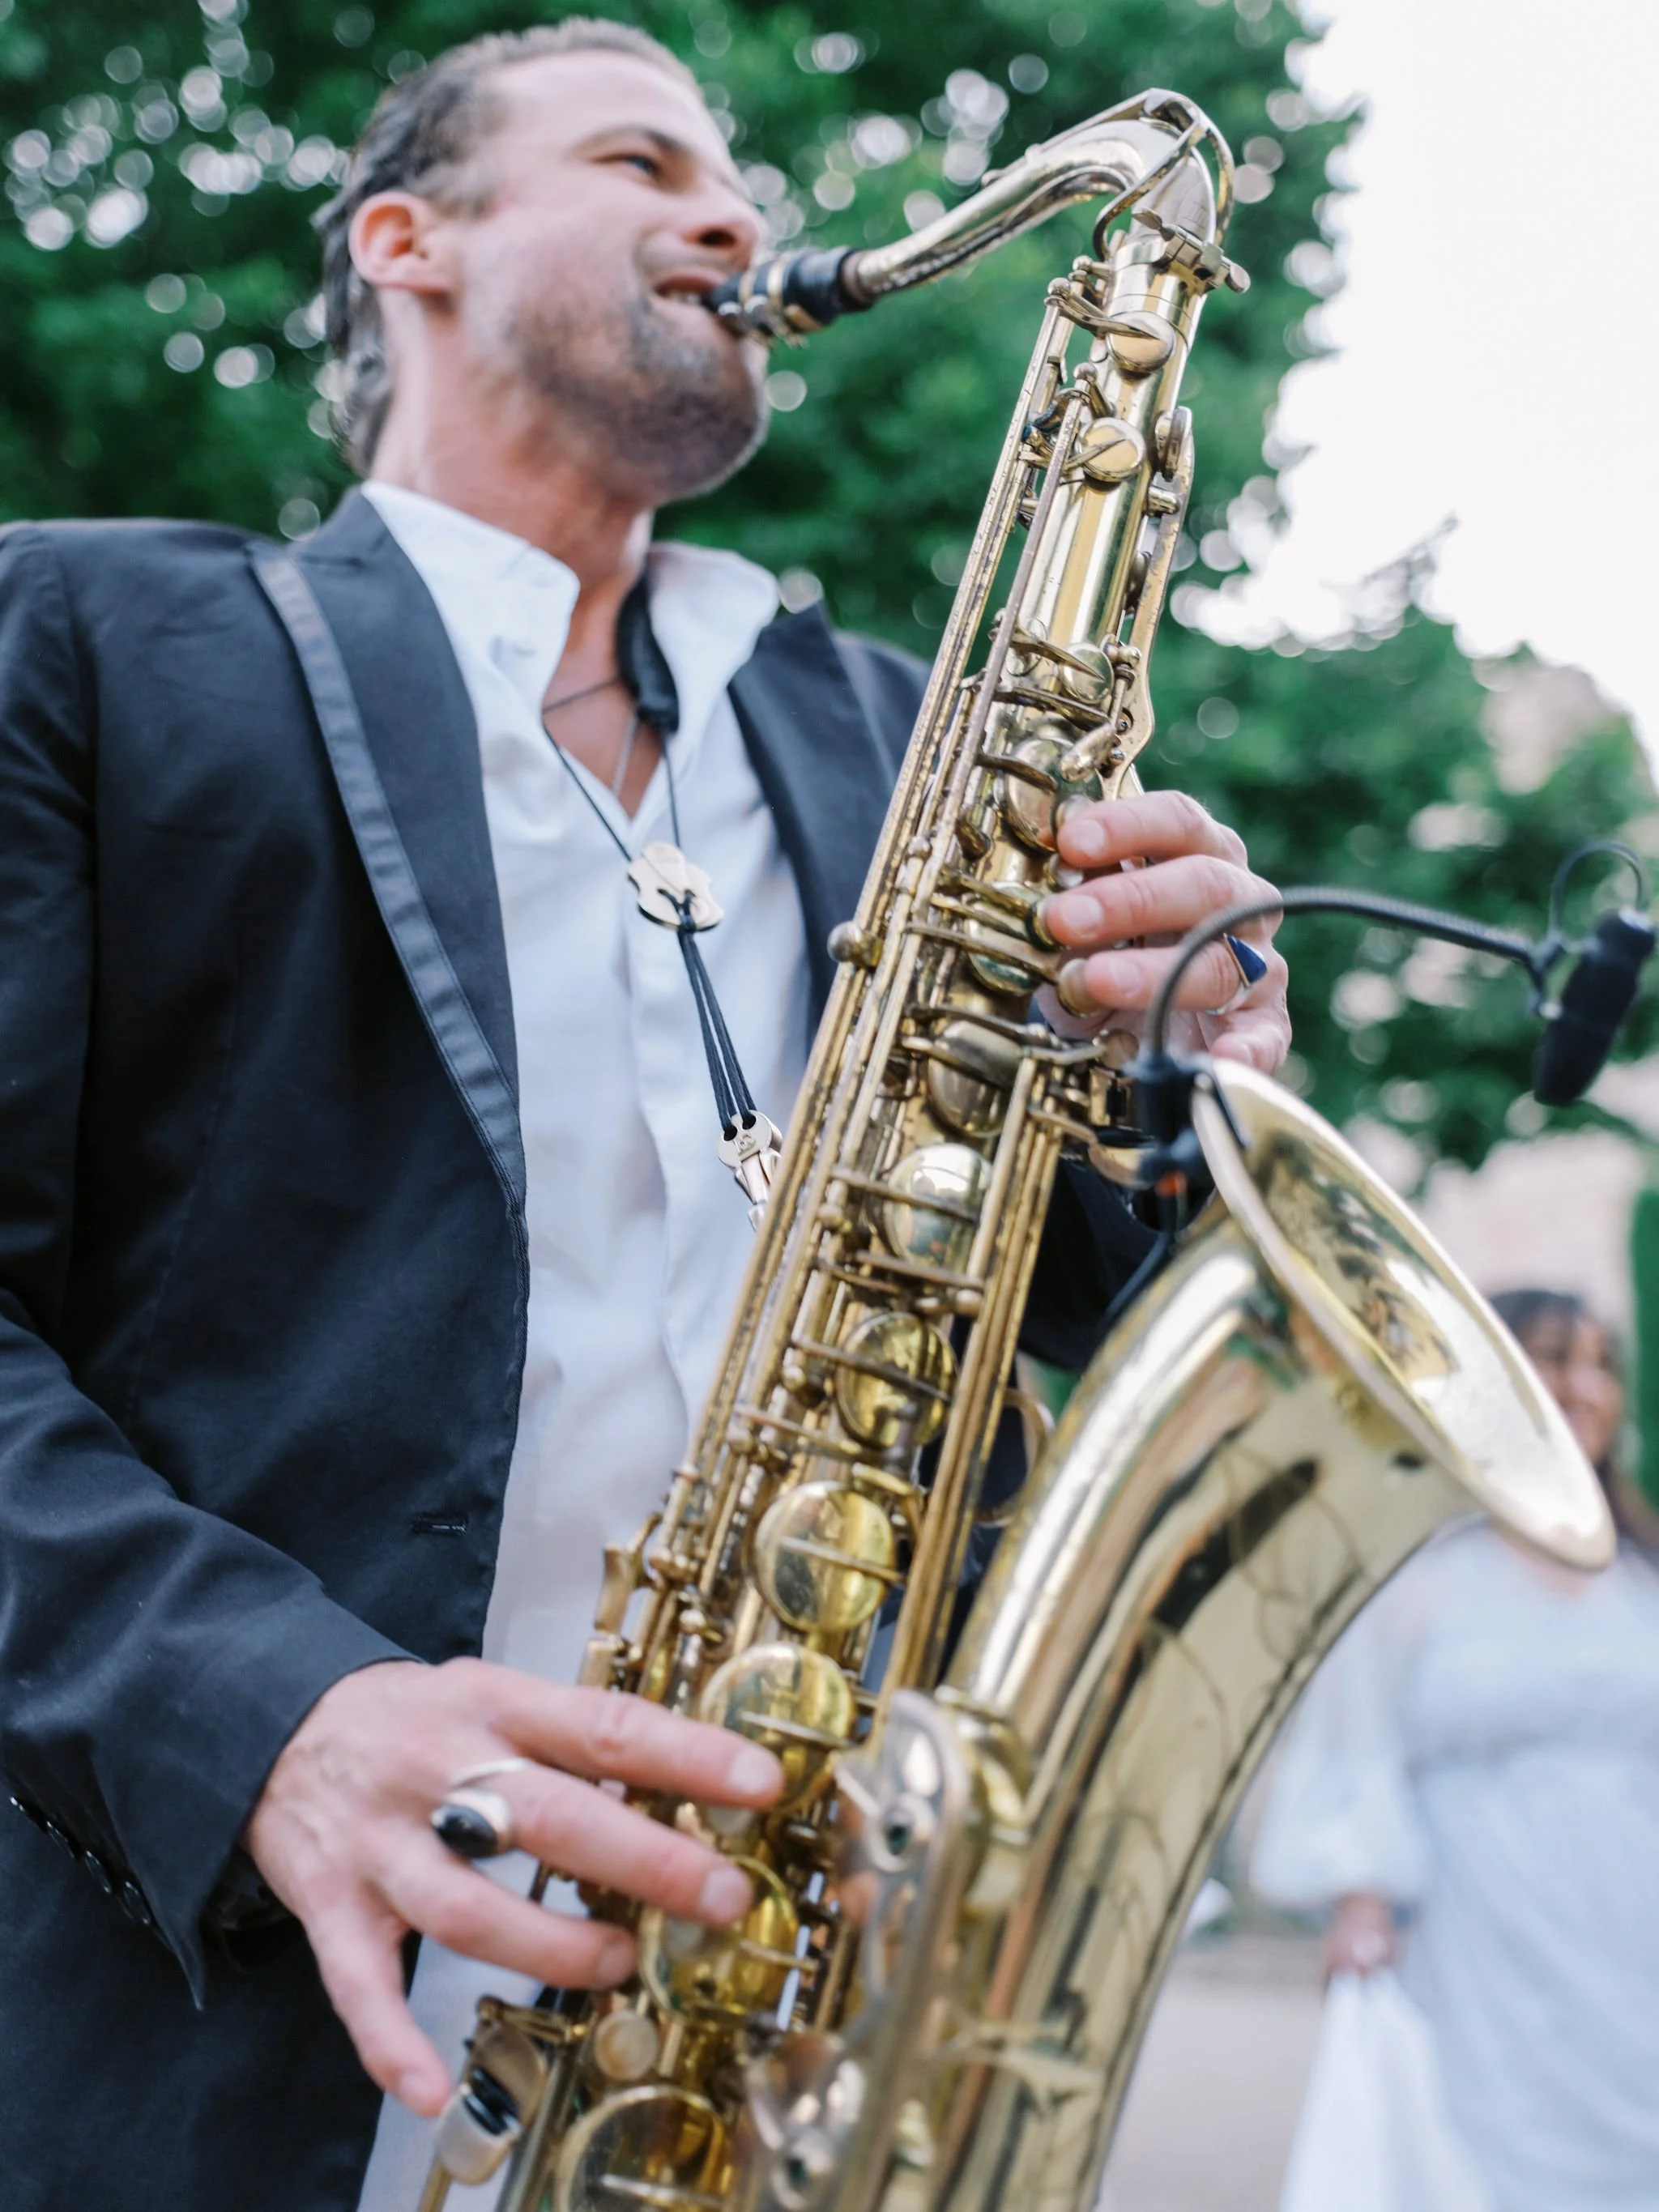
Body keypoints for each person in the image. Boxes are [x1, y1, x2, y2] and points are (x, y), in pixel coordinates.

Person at [0, 19, 1291, 2212]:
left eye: (744, 174)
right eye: (642, 155)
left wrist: (1185, 1067)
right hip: (226, 2016)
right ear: (404, 240)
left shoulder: (904, 731)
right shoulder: (97, 642)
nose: (736, 213)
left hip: (795, 2023)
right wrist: (264, 1711)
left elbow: (1073, 1290)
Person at [1254, 1288, 1659, 2212]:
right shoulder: (1418, 1572)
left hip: (1635, 1939)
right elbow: (1351, 1746)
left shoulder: (1640, 1578)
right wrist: (1359, 1900)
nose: (1586, 1388)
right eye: (1557, 1362)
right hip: (1480, 1945)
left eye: (1601, 1366)